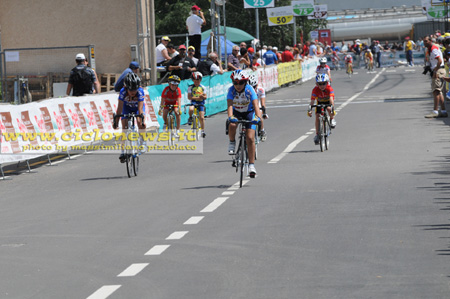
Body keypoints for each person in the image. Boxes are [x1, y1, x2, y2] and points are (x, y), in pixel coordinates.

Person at [227, 70, 261, 178]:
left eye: (241, 83)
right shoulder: (231, 90)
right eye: (235, 83)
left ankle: (251, 165)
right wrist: (231, 117)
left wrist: (258, 117)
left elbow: (256, 105)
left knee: (250, 138)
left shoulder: (250, 90)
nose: (238, 85)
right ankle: (232, 142)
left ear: (245, 82)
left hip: (249, 113)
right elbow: (230, 106)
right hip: (237, 112)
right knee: (232, 124)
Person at [112, 73, 146, 163]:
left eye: (135, 89)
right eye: (131, 89)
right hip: (126, 108)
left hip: (137, 107)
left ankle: (143, 142)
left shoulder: (140, 91)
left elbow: (140, 109)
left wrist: (142, 120)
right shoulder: (122, 92)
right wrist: (115, 122)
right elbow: (119, 109)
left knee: (140, 123)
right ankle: (123, 152)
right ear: (126, 87)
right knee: (124, 128)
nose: (133, 92)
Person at [307, 74, 336, 145]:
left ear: (327, 83)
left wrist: (332, 109)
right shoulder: (315, 90)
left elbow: (331, 100)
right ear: (317, 84)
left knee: (329, 109)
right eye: (320, 84)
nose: (322, 86)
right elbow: (312, 101)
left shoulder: (329, 89)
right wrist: (310, 110)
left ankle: (332, 119)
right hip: (319, 102)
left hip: (328, 102)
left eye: (324, 83)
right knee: (317, 116)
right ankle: (317, 134)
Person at [423, 36, 448, 118]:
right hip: (439, 70)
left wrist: (435, 71)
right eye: (424, 41)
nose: (424, 42)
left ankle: (435, 111)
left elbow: (440, 61)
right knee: (439, 92)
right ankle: (443, 111)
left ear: (430, 41)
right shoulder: (430, 49)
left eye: (426, 41)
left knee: (436, 91)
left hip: (438, 71)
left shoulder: (433, 49)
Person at [187, 71, 207, 138]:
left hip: (201, 103)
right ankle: (190, 118)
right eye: (195, 81)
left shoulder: (203, 87)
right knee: (191, 109)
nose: (196, 83)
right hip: (194, 102)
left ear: (200, 80)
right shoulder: (190, 87)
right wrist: (197, 98)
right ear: (193, 80)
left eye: (198, 81)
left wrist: (202, 97)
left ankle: (202, 131)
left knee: (202, 117)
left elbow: (205, 97)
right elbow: (189, 97)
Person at [248, 73, 267, 141]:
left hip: (257, 104)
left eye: (254, 86)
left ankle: (262, 131)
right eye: (251, 87)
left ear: (257, 85)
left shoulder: (261, 90)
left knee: (259, 117)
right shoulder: (246, 90)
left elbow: (262, 103)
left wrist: (264, 112)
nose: (253, 88)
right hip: (248, 105)